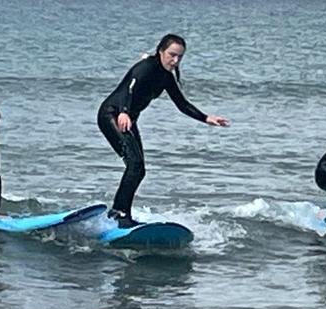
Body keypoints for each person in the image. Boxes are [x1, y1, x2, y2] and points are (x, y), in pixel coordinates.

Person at [97, 34, 229, 227]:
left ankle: (119, 211)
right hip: (112, 115)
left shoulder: (166, 77)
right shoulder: (146, 67)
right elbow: (129, 88)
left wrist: (206, 118)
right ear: (161, 51)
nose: (175, 60)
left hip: (128, 120)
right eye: (172, 55)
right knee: (135, 165)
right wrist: (124, 112)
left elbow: (182, 104)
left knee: (138, 169)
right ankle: (120, 213)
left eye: (180, 57)